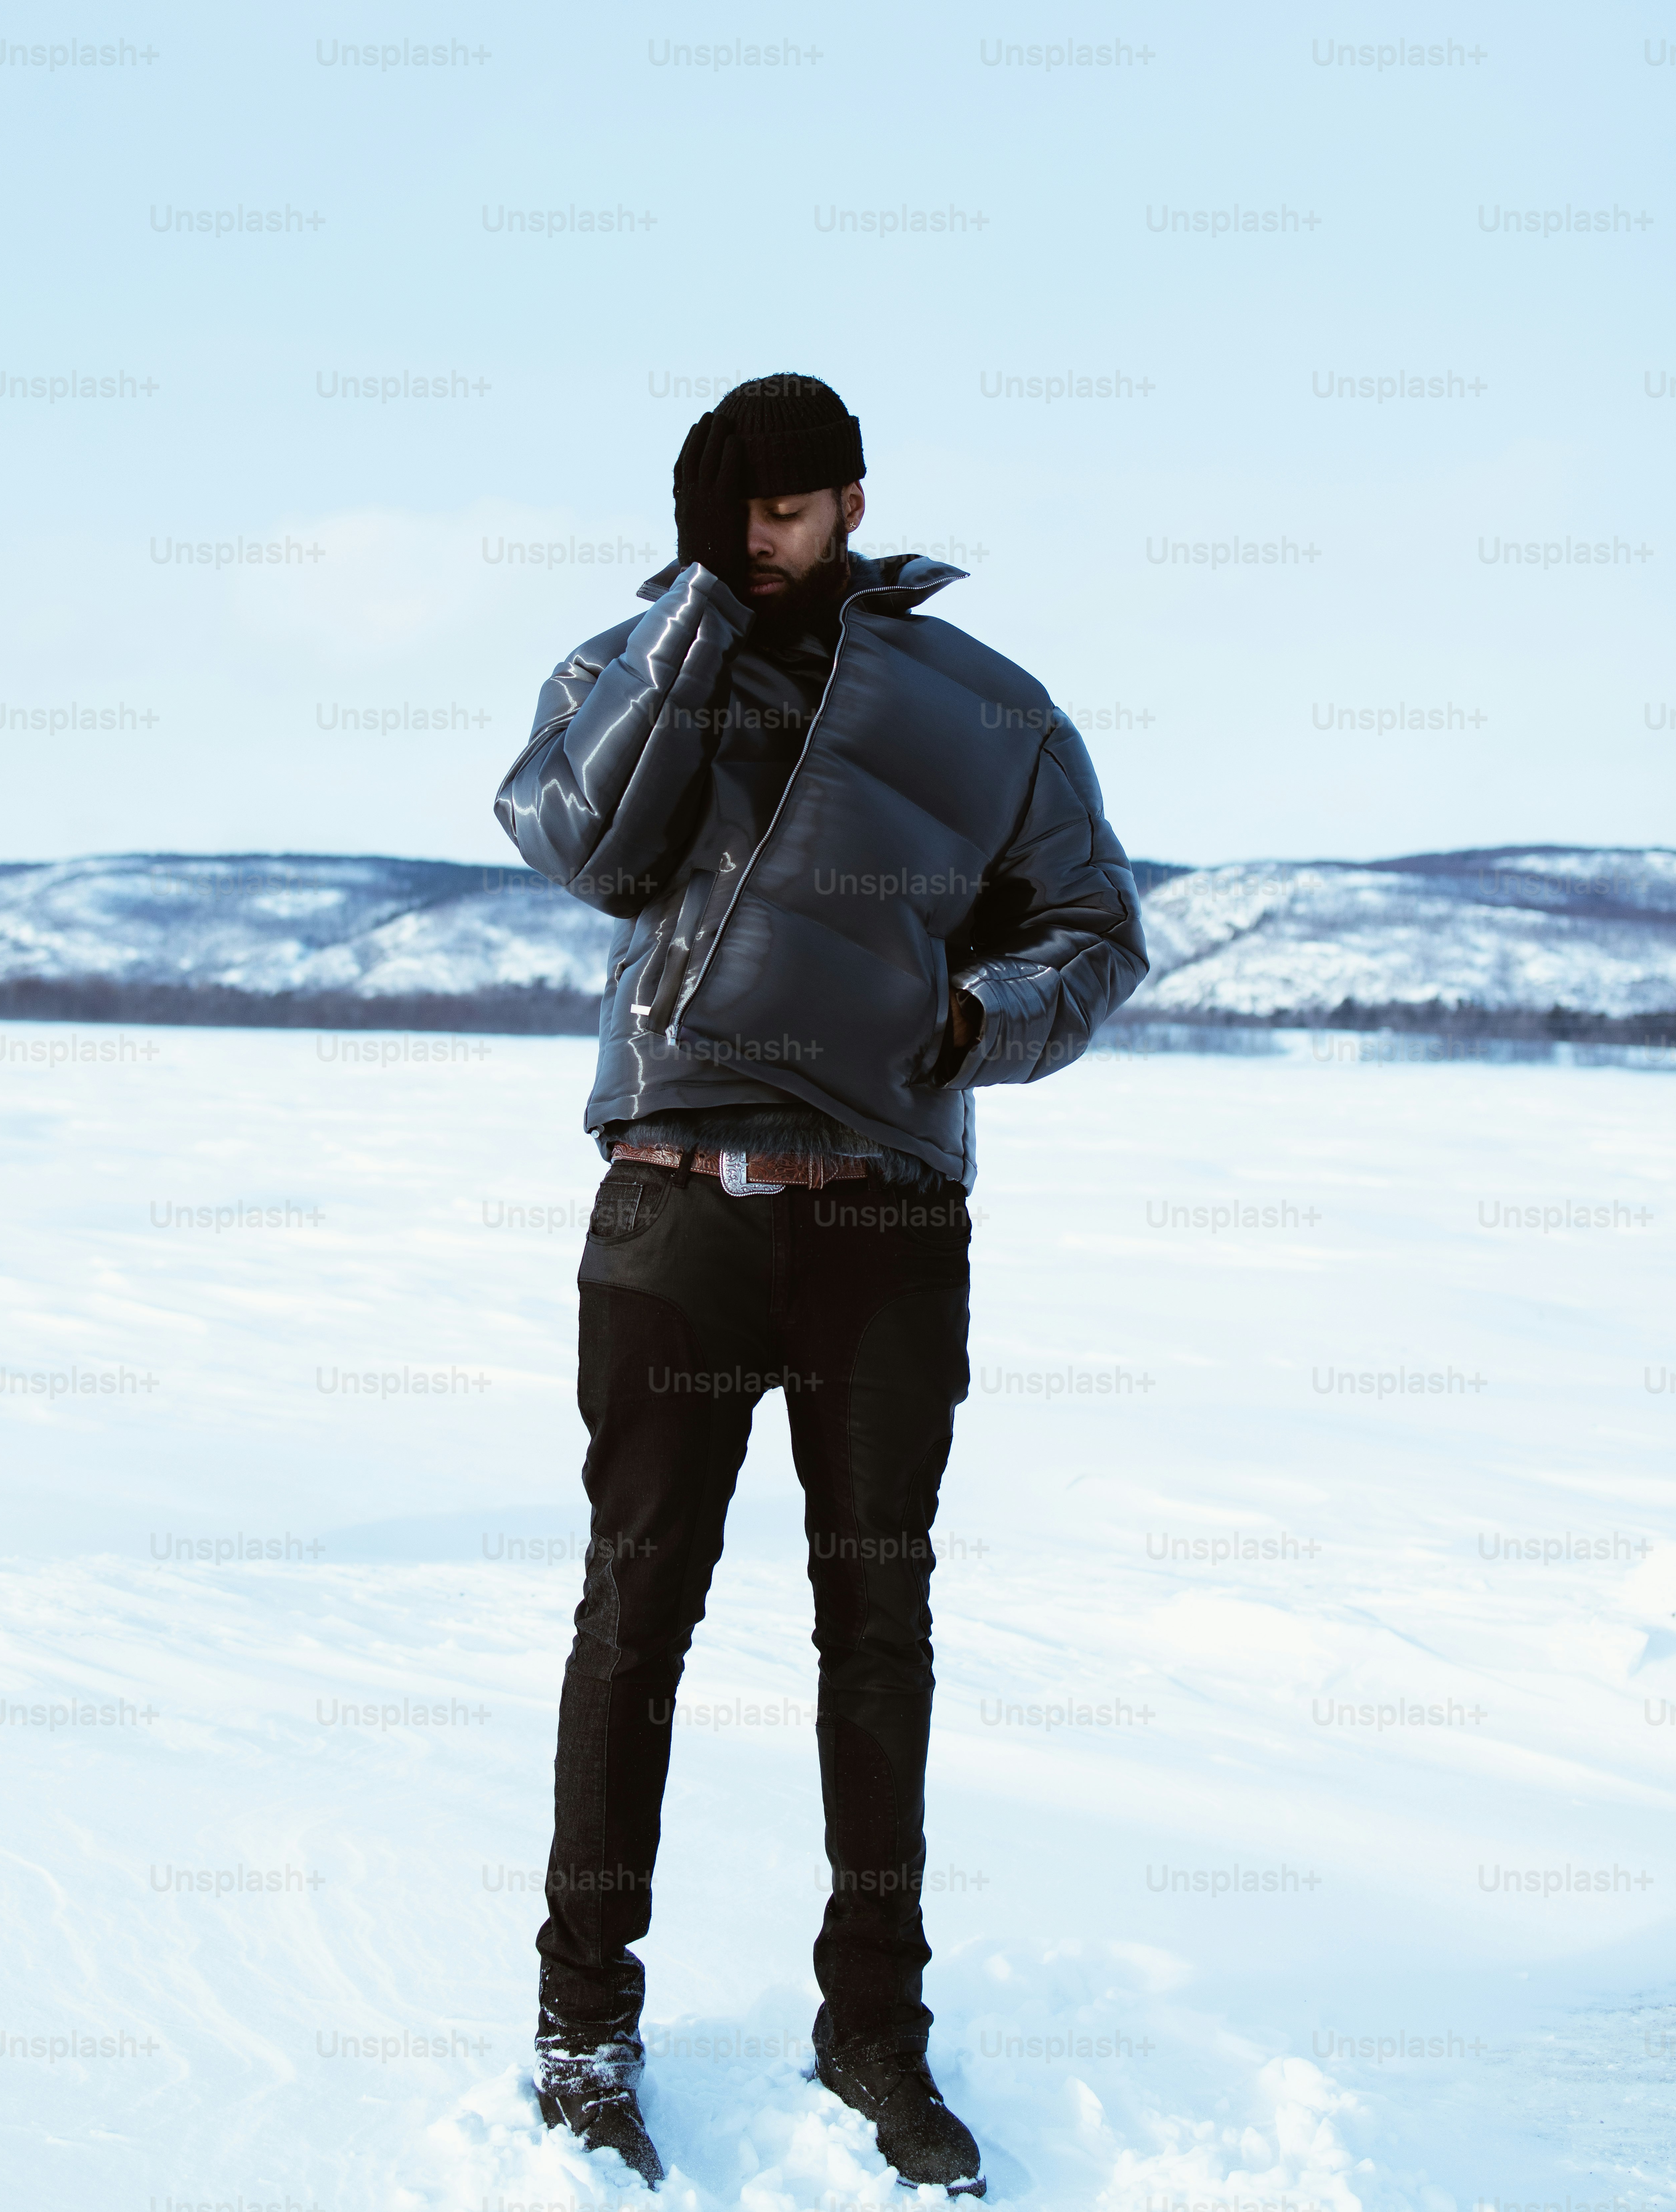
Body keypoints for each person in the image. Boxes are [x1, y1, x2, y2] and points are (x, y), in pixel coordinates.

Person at [494, 373, 1148, 2194]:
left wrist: (969, 1016)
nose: (755, 539)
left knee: (876, 1637)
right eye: (726, 512)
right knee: (636, 1620)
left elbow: (1096, 938)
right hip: (672, 1209)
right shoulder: (628, 662)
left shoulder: (988, 708)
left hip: (880, 1219)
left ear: (852, 500)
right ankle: (581, 2021)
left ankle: (874, 2030)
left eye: (781, 512)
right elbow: (585, 848)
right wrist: (690, 625)